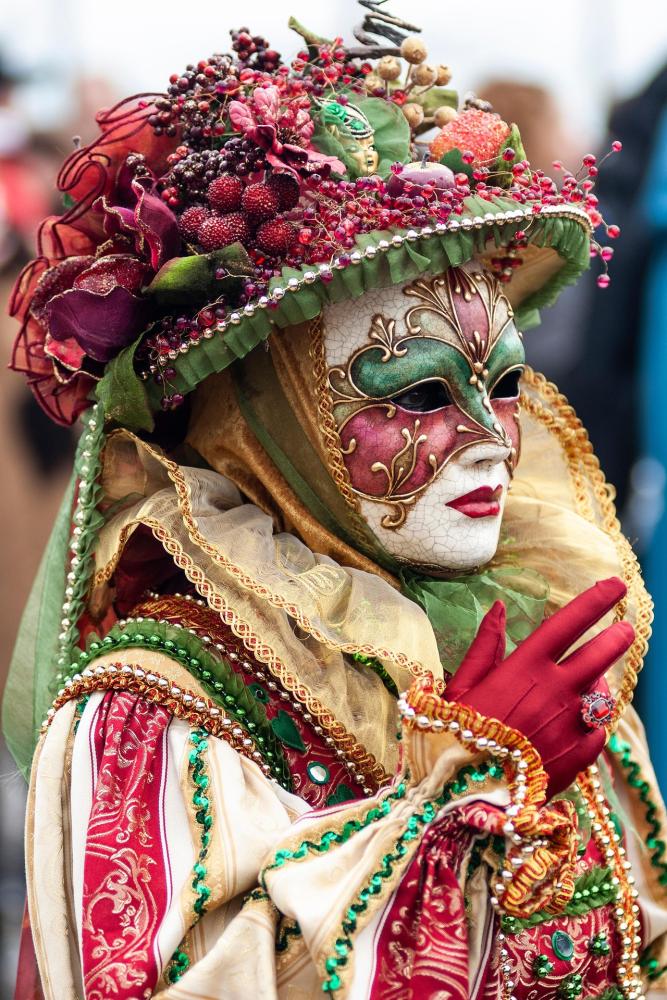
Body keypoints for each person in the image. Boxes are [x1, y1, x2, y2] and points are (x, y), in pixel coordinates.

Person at [4, 7, 667, 998]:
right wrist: (461, 802)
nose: (493, 441)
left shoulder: (545, 631)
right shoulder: (157, 708)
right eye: (417, 393)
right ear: (265, 413)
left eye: (509, 385)